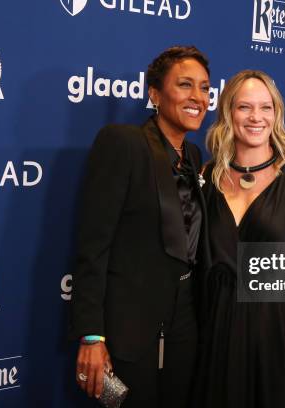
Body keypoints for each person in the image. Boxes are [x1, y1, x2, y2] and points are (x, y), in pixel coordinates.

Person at [69, 46, 211, 408]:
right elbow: (93, 245)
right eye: (185, 85)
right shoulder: (123, 143)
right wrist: (91, 336)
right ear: (155, 94)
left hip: (185, 325)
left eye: (205, 88)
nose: (198, 97)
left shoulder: (195, 158)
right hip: (129, 331)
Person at [194, 70, 285, 407]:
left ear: (276, 113)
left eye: (265, 107)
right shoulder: (206, 175)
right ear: (228, 114)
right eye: (244, 107)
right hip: (215, 327)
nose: (256, 117)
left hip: (278, 329)